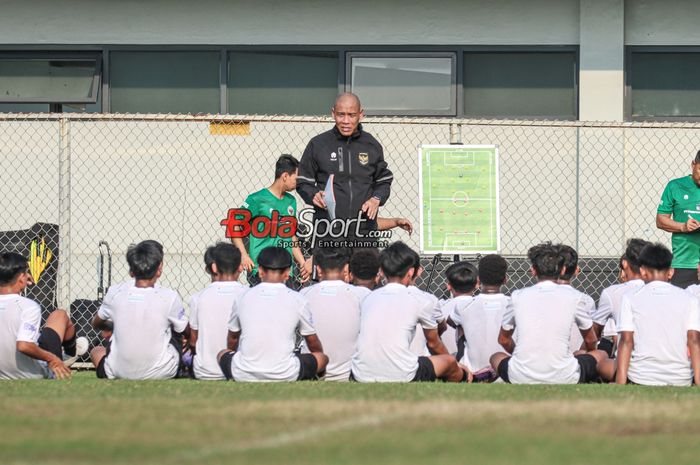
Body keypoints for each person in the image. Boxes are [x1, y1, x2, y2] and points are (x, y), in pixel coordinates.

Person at [490, 242, 611, 384]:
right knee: (601, 354)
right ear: (562, 270)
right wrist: (587, 354)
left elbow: (503, 339)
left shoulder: (517, 296)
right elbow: (591, 340)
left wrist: (522, 356)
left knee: (496, 356)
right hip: (565, 375)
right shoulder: (575, 297)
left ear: (533, 270)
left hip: (520, 375)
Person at [350, 241, 466, 383]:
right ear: (411, 272)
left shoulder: (369, 298)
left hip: (361, 373)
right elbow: (433, 343)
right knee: (448, 361)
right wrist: (455, 365)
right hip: (402, 373)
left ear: (382, 271)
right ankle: (465, 381)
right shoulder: (421, 300)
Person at [217, 246, 328, 382]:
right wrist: (318, 358)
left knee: (222, 353)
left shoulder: (243, 297)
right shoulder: (298, 299)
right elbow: (312, 341)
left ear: (261, 271)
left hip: (243, 372)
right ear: (288, 273)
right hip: (285, 373)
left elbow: (233, 338)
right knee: (323, 358)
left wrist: (233, 354)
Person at [297, 93, 393, 242]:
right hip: (328, 232)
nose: (346, 121)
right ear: (333, 113)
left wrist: (376, 199)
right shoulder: (318, 144)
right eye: (341, 115)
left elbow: (383, 180)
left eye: (351, 115)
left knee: (365, 265)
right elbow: (303, 181)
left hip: (364, 233)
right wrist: (313, 194)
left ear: (360, 115)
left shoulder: (371, 145)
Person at [90, 240, 189, 380]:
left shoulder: (115, 293)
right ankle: (181, 366)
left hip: (118, 372)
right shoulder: (169, 297)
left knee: (95, 351)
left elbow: (96, 323)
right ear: (159, 268)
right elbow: (184, 330)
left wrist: (113, 325)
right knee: (176, 330)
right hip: (161, 373)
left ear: (131, 270)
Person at [616, 243, 700, 386]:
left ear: (643, 271)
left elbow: (626, 341)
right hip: (680, 378)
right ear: (671, 272)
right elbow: (694, 340)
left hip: (640, 378)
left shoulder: (630, 298)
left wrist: (620, 383)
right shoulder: (689, 298)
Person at [231, 154, 310, 286]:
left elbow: (290, 235)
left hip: (286, 271)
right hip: (261, 270)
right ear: (285, 176)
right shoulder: (257, 199)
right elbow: (234, 224)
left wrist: (302, 263)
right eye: (296, 178)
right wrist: (243, 255)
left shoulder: (291, 201)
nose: (298, 182)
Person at [0, 251, 75, 380]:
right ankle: (66, 355)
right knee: (59, 315)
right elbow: (24, 345)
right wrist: (52, 359)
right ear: (21, 277)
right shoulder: (28, 306)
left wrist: (20, 282)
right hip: (32, 372)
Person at [300, 247, 364, 381]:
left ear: (318, 270)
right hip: (351, 374)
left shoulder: (303, 295)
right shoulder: (362, 295)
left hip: (313, 372)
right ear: (346, 269)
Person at [188, 242, 247, 380]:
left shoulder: (198, 297)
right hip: (239, 370)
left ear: (214, 267)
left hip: (204, 372)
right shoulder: (248, 295)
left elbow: (193, 341)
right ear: (240, 267)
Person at [446, 256, 511, 381]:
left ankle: (471, 367)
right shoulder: (513, 304)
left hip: (474, 373)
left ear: (478, 280)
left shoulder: (463, 306)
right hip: (506, 371)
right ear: (505, 280)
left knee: (460, 326)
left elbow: (450, 322)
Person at [592, 239, 649, 355]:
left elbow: (594, 335)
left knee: (597, 356)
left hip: (627, 361)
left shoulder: (612, 292)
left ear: (624, 263)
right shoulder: (669, 292)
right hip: (665, 361)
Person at [656, 150, 700, 288]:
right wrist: (683, 227)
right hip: (683, 263)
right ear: (693, 165)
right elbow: (660, 220)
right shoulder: (675, 186)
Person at [556, 244, 597, 351]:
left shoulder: (528, 297)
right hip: (575, 359)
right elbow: (591, 340)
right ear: (577, 270)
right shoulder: (585, 300)